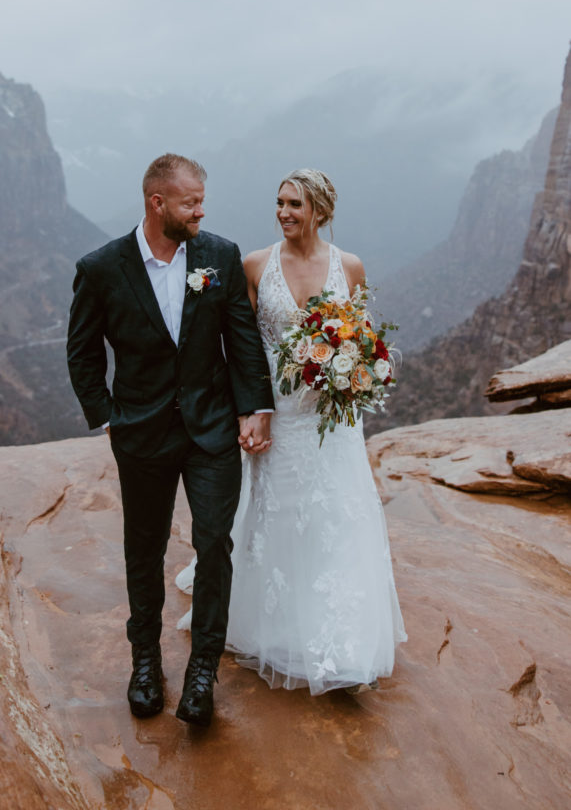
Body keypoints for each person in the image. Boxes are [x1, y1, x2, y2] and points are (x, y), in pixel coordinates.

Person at [177, 168, 406, 694]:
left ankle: (342, 636)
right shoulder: (256, 266)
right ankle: (277, 625)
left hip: (334, 420)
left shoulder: (349, 267)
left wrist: (356, 373)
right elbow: (242, 345)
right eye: (279, 202)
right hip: (280, 415)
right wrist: (250, 411)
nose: (284, 212)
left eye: (295, 205)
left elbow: (362, 338)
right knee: (277, 510)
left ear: (320, 212)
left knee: (335, 514)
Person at [67, 154, 274, 726]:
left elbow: (242, 339)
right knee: (144, 550)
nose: (201, 211)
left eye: (202, 200)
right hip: (141, 434)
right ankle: (145, 661)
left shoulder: (219, 256)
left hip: (210, 431)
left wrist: (254, 408)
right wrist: (107, 415)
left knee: (214, 546)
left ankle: (202, 669)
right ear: (158, 204)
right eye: (190, 202)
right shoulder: (102, 267)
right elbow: (83, 351)